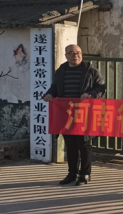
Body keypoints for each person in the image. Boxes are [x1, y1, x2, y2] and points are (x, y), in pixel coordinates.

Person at [44, 45, 106, 186]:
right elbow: (55, 87)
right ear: (66, 55)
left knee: (84, 144)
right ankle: (72, 173)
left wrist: (90, 94)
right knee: (70, 145)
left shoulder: (91, 71)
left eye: (78, 53)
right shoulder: (61, 71)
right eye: (71, 53)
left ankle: (85, 174)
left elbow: (101, 88)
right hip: (66, 114)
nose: (75, 56)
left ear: (82, 54)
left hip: (84, 113)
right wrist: (49, 94)